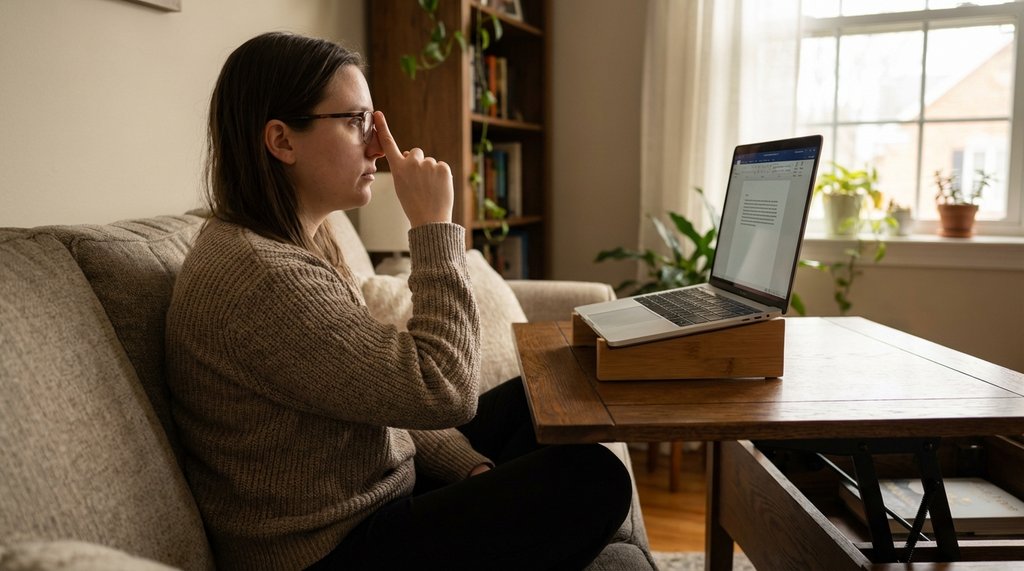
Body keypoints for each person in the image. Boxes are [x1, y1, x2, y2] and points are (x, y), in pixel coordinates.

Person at [166, 31, 632, 571]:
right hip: (332, 547)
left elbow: (376, 395)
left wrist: (468, 467)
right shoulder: (263, 278)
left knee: (551, 389)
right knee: (593, 481)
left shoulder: (302, 238)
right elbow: (442, 391)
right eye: (355, 121)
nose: (377, 146)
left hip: (375, 486)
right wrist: (434, 227)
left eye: (373, 122)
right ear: (282, 140)